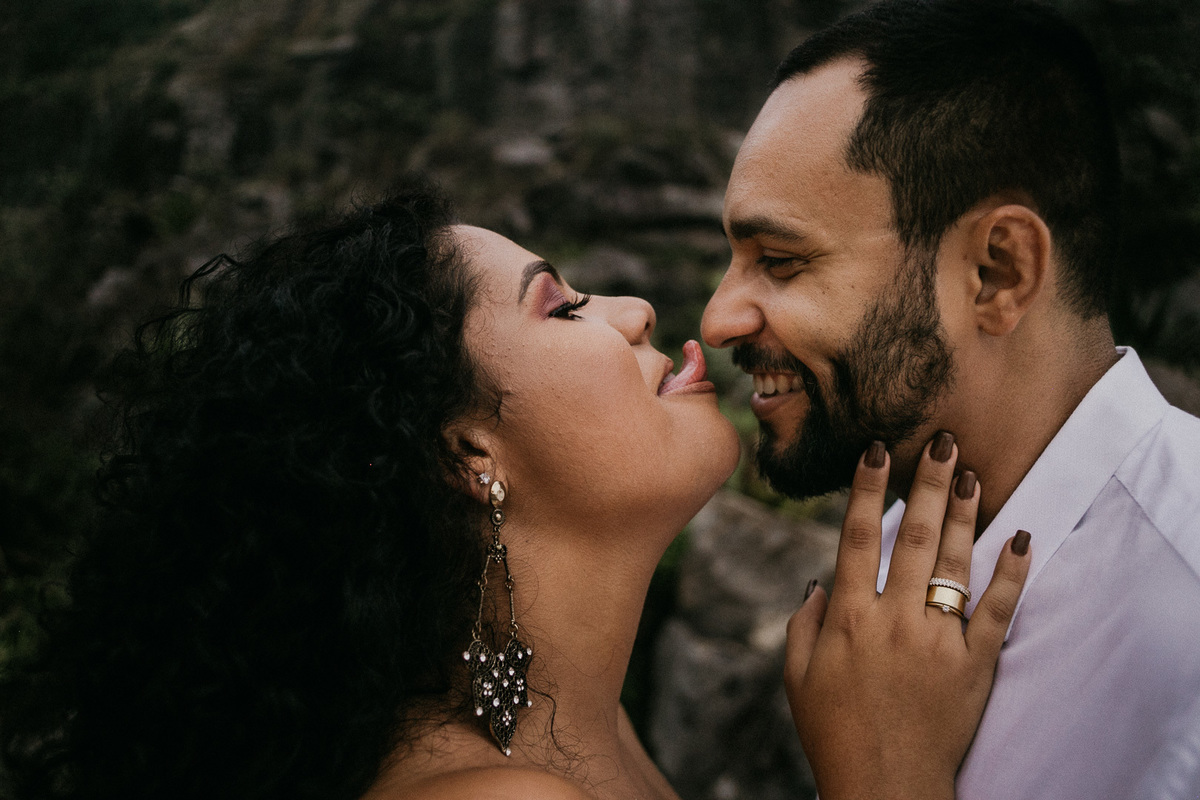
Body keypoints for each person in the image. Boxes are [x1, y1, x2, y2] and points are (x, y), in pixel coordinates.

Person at [1, 183, 1030, 800]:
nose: (633, 310)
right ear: (468, 449)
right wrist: (885, 769)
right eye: (564, 306)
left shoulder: (581, 726)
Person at [702, 0, 1200, 797]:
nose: (718, 317)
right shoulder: (892, 559)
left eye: (781, 260)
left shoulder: (1187, 606)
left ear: (998, 271)